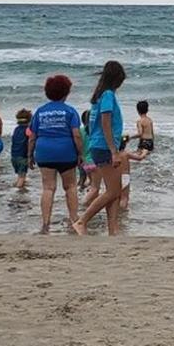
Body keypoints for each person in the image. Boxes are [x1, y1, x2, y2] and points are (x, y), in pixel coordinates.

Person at [73, 61, 126, 236]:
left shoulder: (99, 96)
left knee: (115, 190)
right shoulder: (108, 95)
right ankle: (82, 221)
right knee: (113, 191)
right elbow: (106, 122)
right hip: (104, 147)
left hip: (99, 146)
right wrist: (114, 151)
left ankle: (112, 229)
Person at [30, 74, 84, 233]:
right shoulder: (70, 111)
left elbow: (32, 137)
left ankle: (45, 223)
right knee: (70, 186)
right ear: (66, 92)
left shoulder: (40, 112)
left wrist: (29, 155)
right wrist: (81, 153)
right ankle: (74, 218)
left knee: (48, 188)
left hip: (44, 151)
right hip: (66, 152)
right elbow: (76, 134)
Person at [11, 108, 32, 189]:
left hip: (14, 156)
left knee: (20, 175)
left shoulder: (16, 129)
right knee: (22, 177)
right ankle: (18, 193)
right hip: (22, 156)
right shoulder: (28, 130)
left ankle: (20, 187)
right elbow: (31, 141)